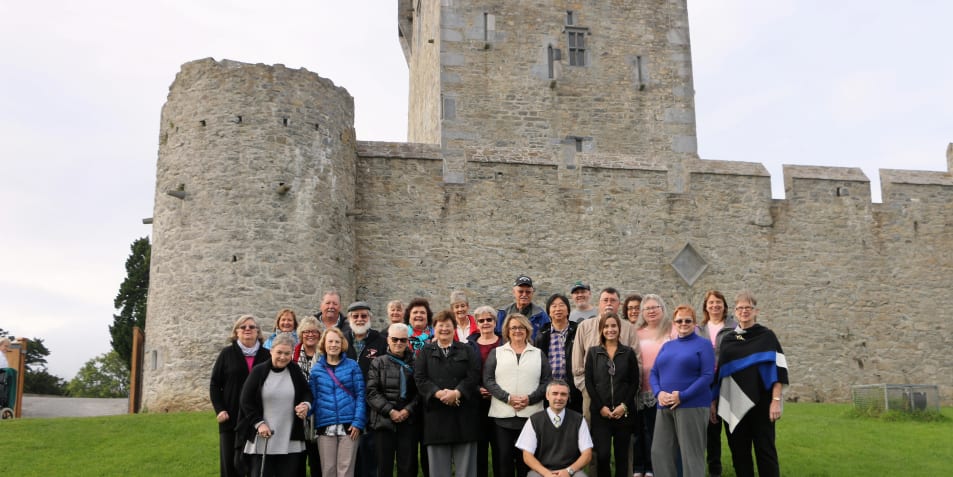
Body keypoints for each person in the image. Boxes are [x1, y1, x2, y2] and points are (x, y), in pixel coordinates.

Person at [714, 291, 788, 477]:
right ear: (735, 312)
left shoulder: (767, 336)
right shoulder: (729, 339)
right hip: (734, 401)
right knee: (739, 453)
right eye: (740, 308)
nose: (744, 311)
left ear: (756, 311)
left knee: (766, 451)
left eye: (748, 308)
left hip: (762, 403)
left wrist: (776, 400)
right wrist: (714, 402)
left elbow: (778, 369)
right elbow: (721, 374)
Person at [414, 310, 481, 477]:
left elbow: (474, 375)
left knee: (466, 471)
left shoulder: (466, 350)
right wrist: (438, 394)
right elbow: (420, 379)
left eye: (448, 325)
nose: (444, 329)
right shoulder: (425, 352)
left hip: (464, 417)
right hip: (436, 418)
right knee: (438, 472)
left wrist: (457, 393)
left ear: (454, 328)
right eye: (440, 325)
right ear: (434, 328)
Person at [650, 305, 714, 477]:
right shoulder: (667, 346)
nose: (683, 323)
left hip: (692, 405)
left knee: (690, 455)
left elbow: (707, 375)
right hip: (664, 405)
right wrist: (658, 393)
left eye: (688, 320)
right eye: (679, 320)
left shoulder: (704, 344)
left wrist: (683, 396)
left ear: (694, 323)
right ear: (674, 323)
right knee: (660, 452)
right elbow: (654, 372)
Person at [484, 313, 552, 477]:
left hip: (531, 417)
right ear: (507, 330)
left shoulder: (538, 354)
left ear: (527, 330)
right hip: (503, 416)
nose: (517, 330)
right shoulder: (497, 353)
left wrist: (530, 399)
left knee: (526, 462)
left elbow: (546, 382)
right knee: (504, 462)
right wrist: (507, 398)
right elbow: (488, 379)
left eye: (521, 327)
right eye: (513, 327)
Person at [237, 334, 313, 477]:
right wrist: (259, 424)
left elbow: (306, 392)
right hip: (264, 436)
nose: (283, 357)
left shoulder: (295, 370)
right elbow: (245, 400)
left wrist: (305, 405)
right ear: (271, 351)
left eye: (287, 353)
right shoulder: (258, 371)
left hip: (290, 438)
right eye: (279, 352)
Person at [210, 315, 272, 477]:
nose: (247, 330)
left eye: (252, 327)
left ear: (258, 332)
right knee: (230, 466)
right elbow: (215, 384)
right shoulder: (227, 354)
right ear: (236, 332)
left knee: (257, 467)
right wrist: (220, 409)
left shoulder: (267, 356)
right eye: (243, 327)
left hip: (258, 418)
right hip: (231, 417)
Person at [584, 313, 639, 477]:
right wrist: (601, 407)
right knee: (603, 455)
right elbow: (589, 382)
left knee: (622, 456)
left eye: (613, 326)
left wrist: (624, 406)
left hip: (624, 413)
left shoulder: (628, 353)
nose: (610, 329)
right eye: (606, 326)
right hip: (601, 414)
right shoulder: (593, 353)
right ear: (601, 329)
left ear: (619, 328)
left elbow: (634, 382)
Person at [310, 327, 367, 477]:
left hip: (349, 427)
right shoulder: (316, 371)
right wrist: (305, 408)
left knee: (346, 470)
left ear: (342, 344)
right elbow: (313, 399)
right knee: (328, 470)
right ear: (324, 344)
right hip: (325, 426)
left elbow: (361, 395)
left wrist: (358, 422)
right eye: (330, 341)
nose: (333, 345)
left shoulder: (352, 366)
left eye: (337, 341)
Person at [367, 323, 420, 477]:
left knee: (408, 468)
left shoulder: (415, 364)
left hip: (408, 422)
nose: (398, 343)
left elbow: (419, 393)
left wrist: (407, 410)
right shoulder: (378, 362)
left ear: (408, 341)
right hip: (383, 422)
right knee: (384, 468)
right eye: (395, 339)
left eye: (403, 340)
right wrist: (390, 411)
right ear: (388, 340)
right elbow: (371, 392)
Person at [516, 380, 594, 477]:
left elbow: (587, 454)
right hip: (541, 472)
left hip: (571, 471)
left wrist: (569, 471)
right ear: (547, 396)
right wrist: (547, 474)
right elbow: (527, 456)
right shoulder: (534, 420)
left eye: (563, 394)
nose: (559, 398)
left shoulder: (578, 420)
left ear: (568, 397)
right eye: (555, 393)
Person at [344, 301, 387, 477]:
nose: (360, 319)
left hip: (372, 407)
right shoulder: (341, 340)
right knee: (348, 461)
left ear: (370, 317)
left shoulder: (381, 341)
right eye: (356, 316)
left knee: (369, 460)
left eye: (364, 316)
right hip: (347, 406)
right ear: (349, 318)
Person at [697, 290, 737, 477]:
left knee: (734, 433)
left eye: (718, 302)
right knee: (711, 434)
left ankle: (741, 468)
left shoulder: (734, 327)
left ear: (724, 305)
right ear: (706, 306)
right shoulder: (699, 330)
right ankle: (715, 471)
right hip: (707, 386)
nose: (715, 306)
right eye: (711, 303)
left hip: (729, 385)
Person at [632, 294, 672, 477]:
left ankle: (654, 467)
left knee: (657, 431)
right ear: (642, 313)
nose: (651, 311)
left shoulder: (671, 330)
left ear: (662, 309)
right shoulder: (636, 332)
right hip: (640, 387)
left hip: (664, 388)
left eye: (655, 307)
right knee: (640, 430)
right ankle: (641, 467)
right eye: (647, 308)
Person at [467, 305, 503, 477]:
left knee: (500, 448)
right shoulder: (469, 345)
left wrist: (496, 390)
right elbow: (465, 373)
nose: (486, 323)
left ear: (495, 322)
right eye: (481, 320)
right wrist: (476, 388)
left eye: (489, 319)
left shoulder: (504, 342)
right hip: (477, 402)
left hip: (500, 401)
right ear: (477, 323)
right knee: (480, 448)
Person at [536, 293, 582, 413]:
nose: (558, 309)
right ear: (549, 312)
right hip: (550, 389)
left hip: (574, 388)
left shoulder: (577, 330)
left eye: (561, 305)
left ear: (568, 310)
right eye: (554, 306)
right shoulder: (542, 334)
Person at [292, 317, 322, 477]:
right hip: (298, 414)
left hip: (320, 413)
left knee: (318, 463)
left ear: (319, 334)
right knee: (297, 462)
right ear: (301, 334)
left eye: (314, 331)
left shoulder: (325, 355)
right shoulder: (292, 356)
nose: (310, 335)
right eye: (306, 331)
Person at [496, 275, 551, 341]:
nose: (524, 295)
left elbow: (547, 338)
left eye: (528, 292)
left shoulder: (541, 315)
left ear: (532, 293)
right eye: (521, 291)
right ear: (514, 292)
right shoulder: (503, 314)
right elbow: (498, 337)